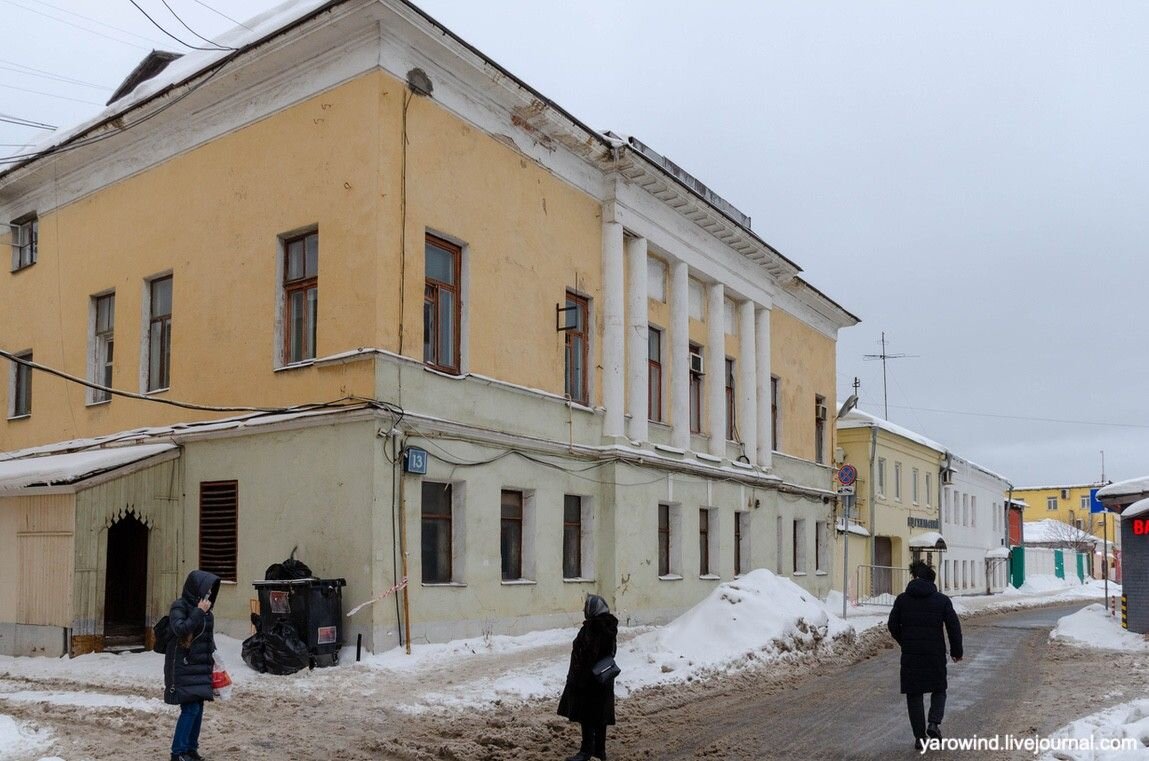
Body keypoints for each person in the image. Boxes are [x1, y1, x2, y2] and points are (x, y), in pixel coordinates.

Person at [887, 559, 963, 750]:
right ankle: (934, 723)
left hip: (911, 654)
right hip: (935, 653)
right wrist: (956, 651)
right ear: (932, 580)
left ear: (914, 578)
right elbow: (953, 627)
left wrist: (905, 641)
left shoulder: (902, 599)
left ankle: (920, 737)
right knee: (939, 689)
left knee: (914, 694)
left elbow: (892, 625)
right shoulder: (942, 600)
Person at [164, 569, 221, 761]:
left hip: (200, 666)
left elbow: (207, 639)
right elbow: (181, 629)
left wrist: (215, 662)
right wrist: (198, 612)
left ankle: (190, 749)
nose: (208, 595)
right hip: (183, 666)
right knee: (190, 709)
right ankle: (177, 752)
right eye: (206, 590)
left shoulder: (206, 612)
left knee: (198, 707)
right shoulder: (179, 606)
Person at [557, 594, 619, 761]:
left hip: (588, 681)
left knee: (587, 715)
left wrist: (579, 676)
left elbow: (589, 654)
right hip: (603, 679)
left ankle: (586, 751)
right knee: (600, 715)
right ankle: (599, 751)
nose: (584, 610)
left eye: (586, 607)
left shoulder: (594, 628)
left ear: (593, 609)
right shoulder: (607, 626)